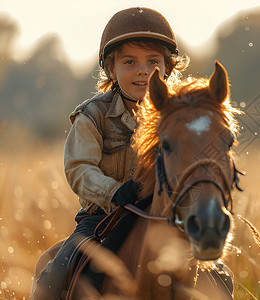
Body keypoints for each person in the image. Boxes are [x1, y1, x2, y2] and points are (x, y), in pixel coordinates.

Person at [32, 7, 189, 299]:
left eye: (153, 61)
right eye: (130, 61)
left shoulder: (179, 116)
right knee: (52, 279)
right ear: (111, 69)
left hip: (164, 221)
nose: (143, 70)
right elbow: (79, 168)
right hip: (102, 219)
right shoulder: (93, 115)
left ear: (168, 67)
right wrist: (114, 192)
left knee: (216, 275)